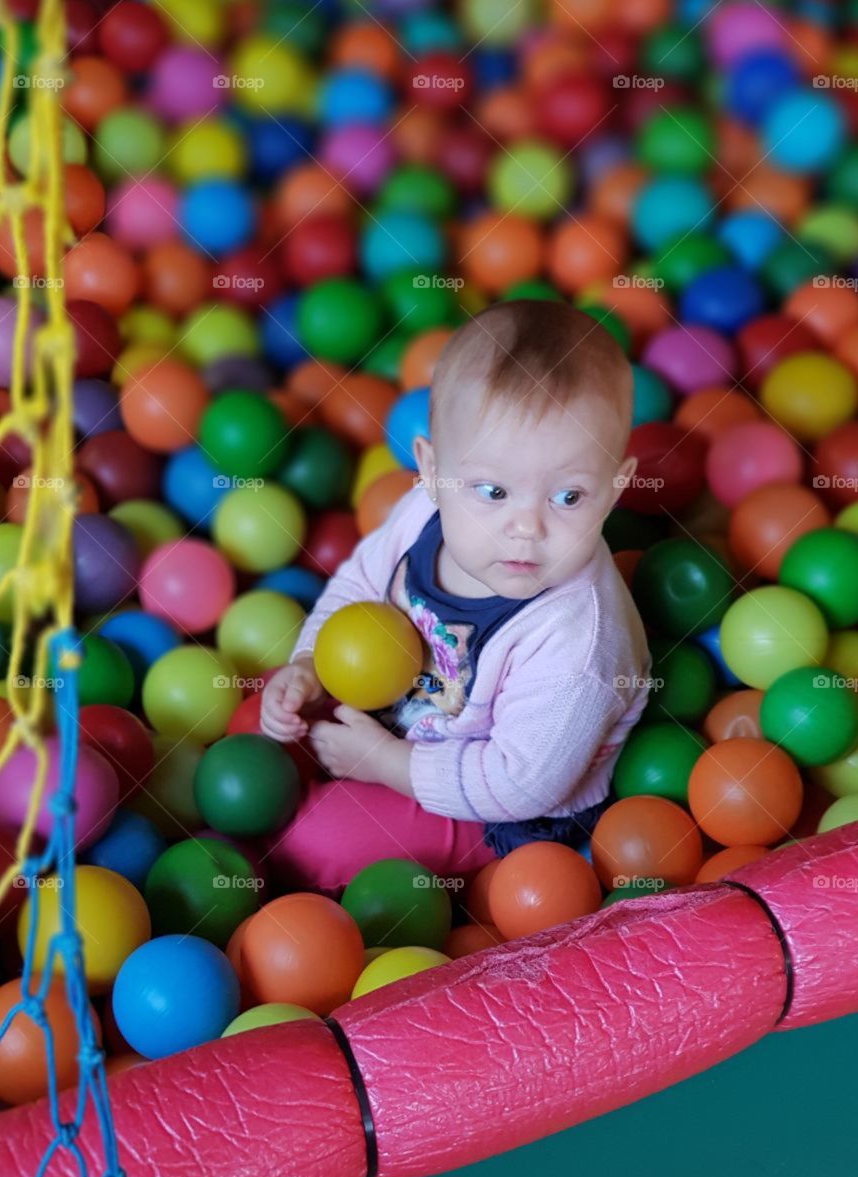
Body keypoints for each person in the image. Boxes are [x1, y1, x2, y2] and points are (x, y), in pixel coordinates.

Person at [260, 300, 652, 897]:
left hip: (497, 805)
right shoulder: (421, 512)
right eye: (493, 491)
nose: (527, 527)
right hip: (397, 722)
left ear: (616, 488)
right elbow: (359, 586)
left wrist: (388, 766)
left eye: (569, 497)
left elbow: (522, 784)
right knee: (263, 732)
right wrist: (311, 665)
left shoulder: (577, 640)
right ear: (431, 472)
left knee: (312, 846)